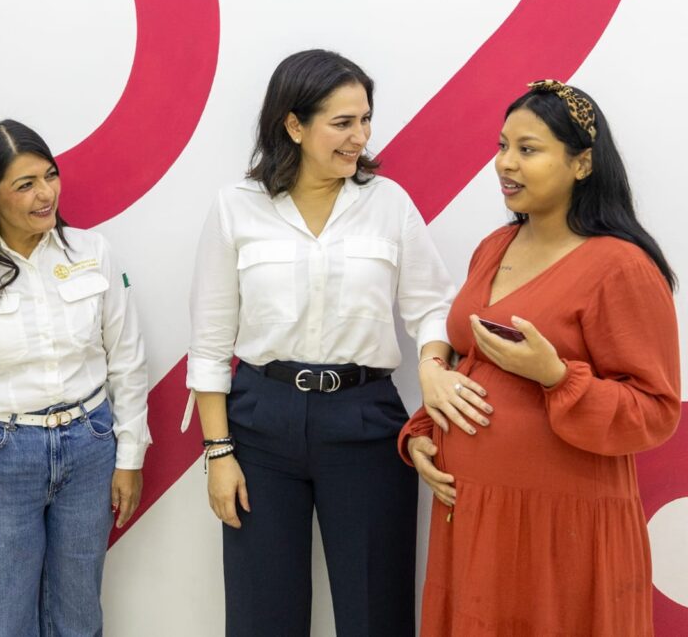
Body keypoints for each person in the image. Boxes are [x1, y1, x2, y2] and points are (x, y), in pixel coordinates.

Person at [184, 49, 489, 636]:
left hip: (365, 419)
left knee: (376, 610)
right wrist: (219, 453)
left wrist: (432, 363)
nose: (361, 137)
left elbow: (432, 305)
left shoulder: (388, 203)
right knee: (262, 614)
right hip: (260, 424)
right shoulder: (237, 207)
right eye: (343, 122)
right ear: (294, 126)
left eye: (366, 119)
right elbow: (210, 343)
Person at [400, 80, 681, 635]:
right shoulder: (494, 247)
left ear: (582, 163)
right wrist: (425, 432)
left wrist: (556, 377)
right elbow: (471, 363)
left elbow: (655, 411)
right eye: (503, 146)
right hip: (474, 514)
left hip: (559, 531)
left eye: (528, 149)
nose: (505, 163)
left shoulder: (621, 267)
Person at [0, 119, 150, 636]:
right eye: (25, 185)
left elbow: (128, 361)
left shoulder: (93, 253)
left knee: (79, 615)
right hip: (1, 456)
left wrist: (130, 457)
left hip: (91, 447)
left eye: (50, 175)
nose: (46, 194)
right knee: (3, 620)